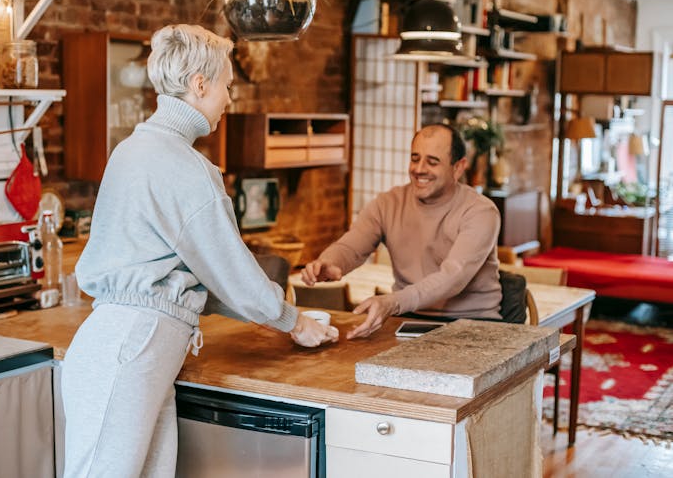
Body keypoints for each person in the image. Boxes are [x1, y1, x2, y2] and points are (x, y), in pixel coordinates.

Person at [61, 24, 338, 478]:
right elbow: (232, 270)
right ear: (199, 84)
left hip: (127, 350)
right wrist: (291, 320)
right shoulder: (184, 167)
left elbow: (195, 280)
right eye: (227, 85)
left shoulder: (134, 149)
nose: (231, 99)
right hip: (131, 348)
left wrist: (278, 315)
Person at [301, 123, 501, 339]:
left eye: (432, 162)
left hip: (474, 324)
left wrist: (394, 302)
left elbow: (452, 277)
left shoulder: (481, 211)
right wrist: (330, 262)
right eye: (415, 158)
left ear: (458, 167)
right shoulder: (388, 203)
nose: (419, 169)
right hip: (409, 319)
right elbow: (352, 245)